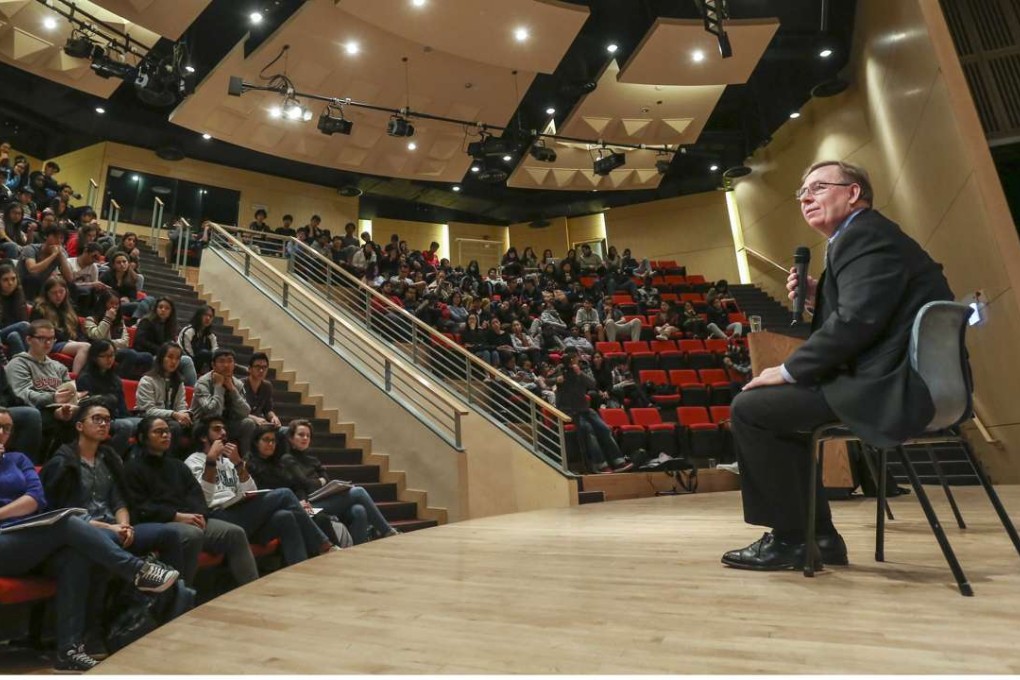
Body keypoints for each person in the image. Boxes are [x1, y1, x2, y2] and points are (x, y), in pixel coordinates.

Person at [721, 160, 955, 571]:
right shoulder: (866, 236)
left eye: (818, 187)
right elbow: (873, 313)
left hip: (891, 385)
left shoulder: (864, 236)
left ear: (853, 193)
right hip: (902, 380)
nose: (806, 198)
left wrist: (789, 370)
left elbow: (857, 322)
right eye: (802, 192)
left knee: (752, 409)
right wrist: (820, 296)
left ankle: (794, 538)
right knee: (774, 411)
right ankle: (820, 538)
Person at [0, 408, 179, 672]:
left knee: (75, 555)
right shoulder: (62, 460)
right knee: (67, 521)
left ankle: (68, 651)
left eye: (7, 428)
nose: (2, 433)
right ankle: (137, 570)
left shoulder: (19, 460)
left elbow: (36, 499)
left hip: (28, 539)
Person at [122, 416, 259, 590]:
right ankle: (182, 594)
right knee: (193, 534)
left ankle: (252, 589)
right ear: (143, 437)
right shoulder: (132, 468)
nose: (165, 435)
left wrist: (199, 514)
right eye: (158, 432)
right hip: (162, 522)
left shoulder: (178, 466)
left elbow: (197, 495)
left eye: (167, 431)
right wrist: (176, 516)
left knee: (234, 533)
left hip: (191, 519)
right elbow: (139, 507)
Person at [183, 417, 332, 567]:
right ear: (203, 437)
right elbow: (204, 500)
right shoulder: (193, 461)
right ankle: (323, 544)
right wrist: (211, 460)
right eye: (217, 429)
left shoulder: (228, 462)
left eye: (224, 429)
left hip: (240, 511)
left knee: (285, 517)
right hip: (218, 515)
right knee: (284, 494)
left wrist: (238, 464)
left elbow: (251, 491)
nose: (223, 433)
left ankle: (300, 569)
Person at [283, 419, 398, 544]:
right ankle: (387, 531)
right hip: (307, 507)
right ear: (291, 438)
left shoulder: (312, 460)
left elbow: (326, 479)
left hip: (322, 499)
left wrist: (315, 482)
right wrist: (319, 481)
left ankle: (357, 551)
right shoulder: (287, 458)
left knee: (359, 510)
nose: (305, 438)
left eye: (308, 435)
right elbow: (304, 483)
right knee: (358, 492)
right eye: (301, 435)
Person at [554, 352, 632, 473]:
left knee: (604, 428)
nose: (577, 363)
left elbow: (592, 384)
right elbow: (546, 381)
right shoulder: (561, 372)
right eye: (575, 360)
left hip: (584, 409)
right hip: (570, 412)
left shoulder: (580, 374)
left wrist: (580, 373)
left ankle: (618, 461)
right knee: (588, 430)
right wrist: (556, 380)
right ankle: (600, 464)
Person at [72, 340, 140, 456]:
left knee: (147, 423)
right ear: (94, 357)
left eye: (112, 355)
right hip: (98, 418)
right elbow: (87, 406)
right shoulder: (85, 378)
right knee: (126, 426)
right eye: (104, 356)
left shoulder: (115, 379)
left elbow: (122, 407)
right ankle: (110, 458)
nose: (109, 359)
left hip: (116, 417)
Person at [191, 348, 258, 455]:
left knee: (248, 423)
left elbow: (245, 412)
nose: (226, 365)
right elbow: (213, 413)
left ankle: (246, 459)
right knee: (215, 427)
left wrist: (232, 389)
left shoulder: (237, 384)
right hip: (203, 423)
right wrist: (219, 386)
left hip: (227, 423)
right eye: (222, 361)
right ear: (213, 365)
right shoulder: (203, 383)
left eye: (230, 361)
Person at [83, 290, 154, 379]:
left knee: (148, 356)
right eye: (111, 303)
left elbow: (125, 342)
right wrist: (107, 319)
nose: (114, 306)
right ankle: (117, 380)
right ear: (103, 304)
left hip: (116, 350)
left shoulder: (119, 322)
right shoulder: (91, 319)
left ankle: (137, 382)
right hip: (100, 351)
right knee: (130, 354)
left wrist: (109, 343)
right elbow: (98, 337)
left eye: (117, 304)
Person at [29, 277, 90, 374]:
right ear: (47, 294)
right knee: (85, 347)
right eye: (54, 293)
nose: (58, 295)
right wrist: (69, 340)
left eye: (61, 291)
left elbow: (78, 330)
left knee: (95, 347)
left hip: (68, 342)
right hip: (50, 342)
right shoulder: (40, 309)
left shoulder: (69, 308)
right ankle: (75, 377)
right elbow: (40, 331)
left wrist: (79, 340)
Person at [134, 297, 198, 386]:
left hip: (166, 355)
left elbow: (170, 344)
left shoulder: (170, 326)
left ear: (171, 311)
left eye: (167, 308)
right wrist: (162, 351)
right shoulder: (146, 321)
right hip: (149, 354)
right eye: (160, 307)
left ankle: (194, 390)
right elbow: (140, 341)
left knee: (187, 360)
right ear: (156, 309)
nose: (163, 310)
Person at [17, 222, 75, 300]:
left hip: (42, 285)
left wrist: (61, 256)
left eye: (61, 238)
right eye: (55, 237)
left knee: (70, 285)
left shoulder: (61, 253)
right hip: (21, 284)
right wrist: (53, 255)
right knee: (33, 279)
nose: (58, 241)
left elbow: (69, 278)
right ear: (46, 236)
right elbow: (32, 270)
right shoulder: (30, 249)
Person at [243, 352, 281, 427]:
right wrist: (254, 418)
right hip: (244, 423)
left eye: (264, 367)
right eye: (257, 367)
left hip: (260, 423)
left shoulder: (267, 386)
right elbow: (236, 411)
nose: (261, 370)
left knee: (286, 430)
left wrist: (273, 417)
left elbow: (268, 409)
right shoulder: (240, 385)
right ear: (250, 369)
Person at [178, 305, 218, 375]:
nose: (208, 318)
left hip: (201, 365)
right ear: (199, 316)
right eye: (205, 315)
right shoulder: (188, 331)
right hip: (185, 362)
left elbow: (215, 352)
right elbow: (186, 352)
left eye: (210, 316)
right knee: (204, 353)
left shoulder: (211, 336)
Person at [0, 263, 30, 355]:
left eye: (13, 279)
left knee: (14, 336)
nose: (10, 283)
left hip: (13, 333)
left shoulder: (19, 296)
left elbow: (23, 318)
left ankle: (25, 363)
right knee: (24, 326)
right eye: (5, 280)